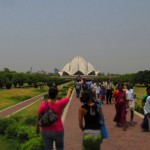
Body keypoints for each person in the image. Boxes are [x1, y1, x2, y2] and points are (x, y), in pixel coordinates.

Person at [36, 86, 72, 150]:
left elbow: (38, 117)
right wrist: (69, 90)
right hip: (58, 130)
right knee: (60, 147)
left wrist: (37, 128)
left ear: (49, 94)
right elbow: (67, 97)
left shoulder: (44, 104)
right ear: (57, 94)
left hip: (46, 131)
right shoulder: (60, 103)